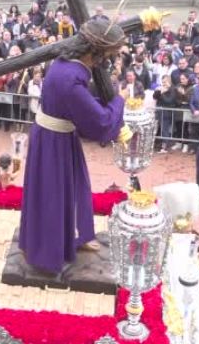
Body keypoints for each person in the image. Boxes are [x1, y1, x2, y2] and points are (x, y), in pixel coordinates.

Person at [19, 19, 126, 274]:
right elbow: (99, 123)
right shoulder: (71, 79)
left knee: (74, 188)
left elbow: (80, 105)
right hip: (53, 143)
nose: (108, 60)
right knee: (53, 197)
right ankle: (46, 253)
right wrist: (118, 102)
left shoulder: (65, 64)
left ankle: (75, 236)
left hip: (56, 137)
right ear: (95, 52)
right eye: (108, 54)